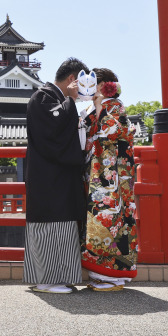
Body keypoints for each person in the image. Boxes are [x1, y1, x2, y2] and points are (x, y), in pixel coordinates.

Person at [24, 57, 89, 294]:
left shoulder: (52, 98)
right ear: (73, 79)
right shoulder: (43, 97)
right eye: (82, 82)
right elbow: (53, 130)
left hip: (54, 174)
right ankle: (47, 281)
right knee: (51, 224)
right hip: (48, 176)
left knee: (59, 224)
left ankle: (54, 278)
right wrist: (71, 100)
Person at [81, 68, 138, 292]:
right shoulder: (99, 106)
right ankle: (101, 274)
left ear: (104, 84)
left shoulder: (114, 105)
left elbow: (114, 130)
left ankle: (114, 276)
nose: (91, 86)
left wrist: (97, 108)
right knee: (100, 220)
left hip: (113, 173)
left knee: (112, 221)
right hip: (100, 173)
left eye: (95, 82)